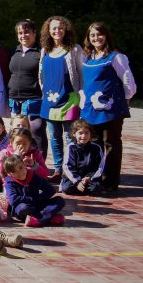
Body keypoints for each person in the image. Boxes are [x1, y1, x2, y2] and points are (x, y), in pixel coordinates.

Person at [80, 22, 135, 193]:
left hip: (111, 109)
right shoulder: (87, 59)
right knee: (94, 145)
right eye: (93, 35)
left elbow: (128, 81)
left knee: (111, 144)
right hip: (90, 109)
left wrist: (125, 99)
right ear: (89, 38)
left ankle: (110, 181)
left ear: (106, 36)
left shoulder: (116, 57)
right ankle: (95, 178)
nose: (96, 38)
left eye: (99, 34)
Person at [38, 15, 84, 179]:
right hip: (49, 102)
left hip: (69, 100)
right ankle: (58, 170)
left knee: (69, 137)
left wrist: (81, 96)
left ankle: (70, 168)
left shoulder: (75, 49)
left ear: (66, 30)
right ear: (48, 31)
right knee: (54, 138)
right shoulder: (45, 50)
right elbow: (41, 76)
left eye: (60, 28)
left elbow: (81, 73)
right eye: (54, 28)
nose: (57, 31)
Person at [7, 19, 48, 160]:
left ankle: (39, 165)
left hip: (34, 98)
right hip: (14, 100)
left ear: (34, 33)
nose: (23, 35)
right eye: (20, 33)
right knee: (16, 133)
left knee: (36, 132)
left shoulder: (41, 52)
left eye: (26, 32)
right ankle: (17, 162)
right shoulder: (14, 51)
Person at [2, 154, 66, 228]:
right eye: (14, 171)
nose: (20, 172)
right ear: (10, 174)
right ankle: (48, 218)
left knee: (59, 200)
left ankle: (38, 220)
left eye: (21, 168)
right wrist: (31, 199)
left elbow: (50, 190)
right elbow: (13, 200)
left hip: (37, 204)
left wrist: (39, 198)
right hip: (24, 208)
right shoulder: (9, 183)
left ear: (24, 165)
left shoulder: (32, 176)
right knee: (23, 208)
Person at [61, 120, 106, 196]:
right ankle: (79, 187)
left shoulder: (96, 148)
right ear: (74, 134)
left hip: (89, 179)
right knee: (66, 188)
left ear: (90, 134)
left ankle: (82, 188)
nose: (84, 136)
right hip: (74, 178)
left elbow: (100, 167)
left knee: (96, 188)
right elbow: (67, 166)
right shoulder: (71, 147)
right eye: (80, 133)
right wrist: (77, 181)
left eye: (86, 133)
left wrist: (89, 177)